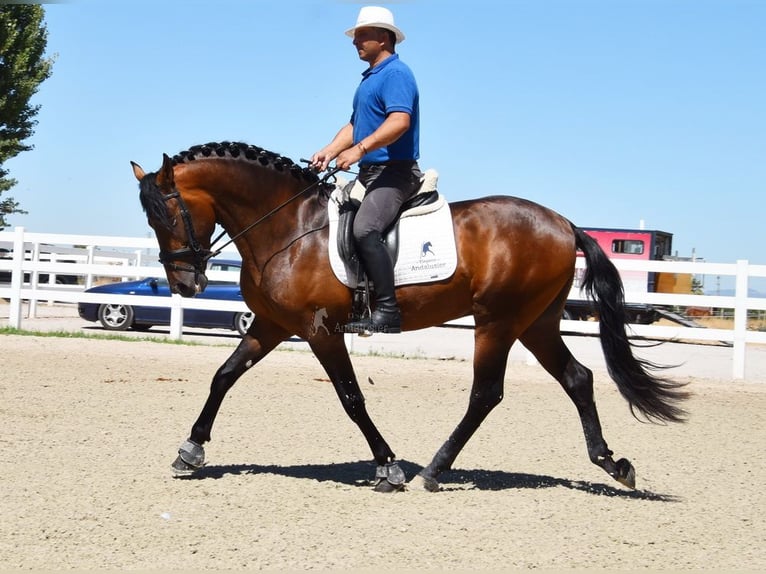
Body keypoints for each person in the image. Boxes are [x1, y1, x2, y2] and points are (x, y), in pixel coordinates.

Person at [311, 5, 422, 335]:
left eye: (362, 34)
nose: (355, 41)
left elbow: (400, 121)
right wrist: (330, 150)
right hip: (370, 173)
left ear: (384, 38)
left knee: (365, 230)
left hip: (395, 173)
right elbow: (356, 124)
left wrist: (358, 149)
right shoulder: (370, 79)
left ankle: (388, 310)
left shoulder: (397, 74)